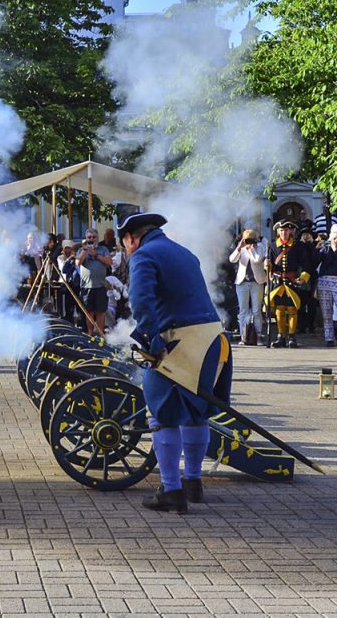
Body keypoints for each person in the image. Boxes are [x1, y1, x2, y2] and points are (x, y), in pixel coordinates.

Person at [122, 212, 231, 514]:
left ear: (131, 238)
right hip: (212, 339)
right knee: (196, 413)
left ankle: (171, 490)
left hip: (181, 341)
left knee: (163, 415)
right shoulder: (184, 252)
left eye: (125, 244)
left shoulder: (143, 256)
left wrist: (149, 340)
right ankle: (193, 482)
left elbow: (141, 302)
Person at [266, 221, 313, 348]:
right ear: (278, 232)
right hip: (278, 282)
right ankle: (281, 337)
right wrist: (268, 266)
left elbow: (306, 264)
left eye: (286, 230)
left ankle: (292, 337)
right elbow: (269, 265)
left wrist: (303, 278)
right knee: (279, 310)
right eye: (281, 230)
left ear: (291, 231)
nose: (284, 233)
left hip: (292, 281)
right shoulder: (272, 246)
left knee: (292, 310)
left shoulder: (298, 246)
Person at [228, 229, 267, 344]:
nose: (249, 241)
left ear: (255, 239)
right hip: (242, 282)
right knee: (243, 311)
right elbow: (232, 259)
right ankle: (243, 336)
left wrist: (251, 248)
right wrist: (239, 248)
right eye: (247, 239)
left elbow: (257, 259)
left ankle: (259, 336)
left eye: (251, 238)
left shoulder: (260, 247)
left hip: (257, 282)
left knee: (256, 310)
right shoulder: (241, 248)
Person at [75, 228, 114, 336]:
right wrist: (85, 250)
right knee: (89, 313)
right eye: (89, 237)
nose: (91, 239)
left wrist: (95, 254)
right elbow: (78, 262)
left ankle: (101, 334)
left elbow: (109, 262)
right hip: (86, 286)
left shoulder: (103, 249)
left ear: (97, 238)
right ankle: (90, 334)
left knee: (101, 312)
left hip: (100, 286)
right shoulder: (81, 250)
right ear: (86, 239)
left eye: (93, 237)